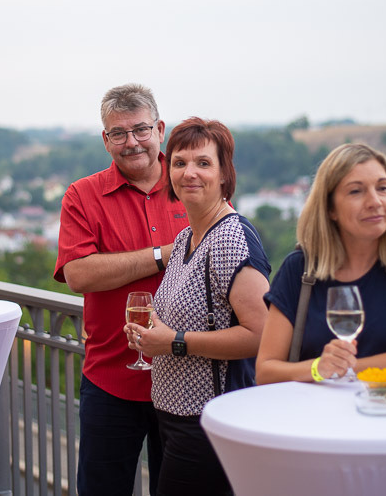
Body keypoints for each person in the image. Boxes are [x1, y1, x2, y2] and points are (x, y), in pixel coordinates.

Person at [124, 117, 271, 495]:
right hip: (174, 418)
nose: (189, 172)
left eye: (203, 163)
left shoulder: (230, 238)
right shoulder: (188, 235)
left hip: (208, 422)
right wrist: (153, 330)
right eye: (179, 162)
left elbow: (261, 334)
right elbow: (185, 315)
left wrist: (173, 341)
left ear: (224, 175)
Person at [55, 84, 189, 496]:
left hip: (186, 377)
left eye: (141, 130)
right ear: (105, 140)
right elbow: (78, 274)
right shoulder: (82, 195)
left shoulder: (195, 180)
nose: (131, 142)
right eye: (119, 133)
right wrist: (162, 254)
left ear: (160, 129)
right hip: (110, 380)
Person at [256, 143, 386, 385]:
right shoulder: (299, 270)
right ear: (330, 208)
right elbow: (265, 372)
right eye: (356, 191)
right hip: (315, 420)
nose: (375, 201)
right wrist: (317, 368)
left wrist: (343, 368)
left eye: (383, 188)